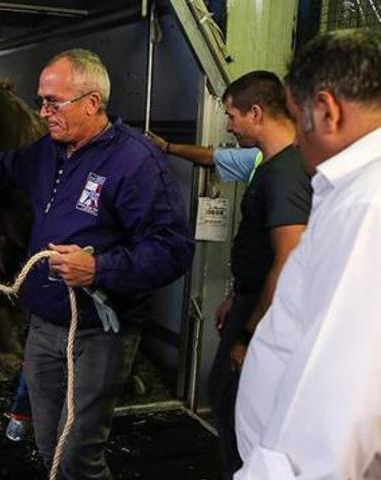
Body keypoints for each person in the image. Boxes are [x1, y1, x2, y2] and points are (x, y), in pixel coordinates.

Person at [0, 49, 193, 479]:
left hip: (97, 332)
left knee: (77, 457)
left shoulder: (137, 163)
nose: (43, 112)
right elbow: (7, 166)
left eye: (54, 102)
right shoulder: (51, 151)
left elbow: (173, 250)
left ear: (92, 103)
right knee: (49, 443)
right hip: (44, 328)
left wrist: (99, 269)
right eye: (41, 101)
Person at [234, 29, 381, 480]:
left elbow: (339, 399)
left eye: (298, 120)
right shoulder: (356, 190)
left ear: (327, 110)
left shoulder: (367, 206)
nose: (297, 140)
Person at [206, 71, 312, 479]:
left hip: (264, 317)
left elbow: (287, 259)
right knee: (223, 397)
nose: (229, 127)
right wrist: (238, 294)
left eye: (232, 116)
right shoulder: (270, 166)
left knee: (236, 412)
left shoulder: (286, 173)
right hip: (250, 301)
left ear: (255, 113)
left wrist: (251, 334)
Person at [145, 131, 262, 183]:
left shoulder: (256, 156)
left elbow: (209, 157)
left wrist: (166, 147)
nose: (229, 127)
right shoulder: (258, 156)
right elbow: (211, 156)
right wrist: (166, 147)